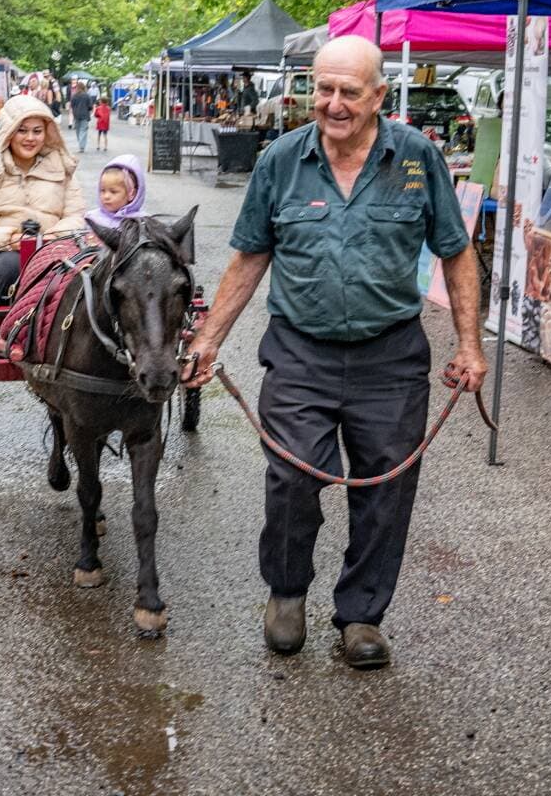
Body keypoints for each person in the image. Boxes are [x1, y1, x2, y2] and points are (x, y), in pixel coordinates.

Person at [181, 35, 487, 670]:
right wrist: (209, 339)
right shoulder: (282, 161)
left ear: (379, 96)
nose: (334, 102)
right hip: (299, 352)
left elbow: (456, 252)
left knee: (387, 489)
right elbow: (250, 255)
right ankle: (287, 593)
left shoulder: (418, 157)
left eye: (350, 91)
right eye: (324, 88)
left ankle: (361, 616)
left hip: (391, 355)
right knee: (292, 477)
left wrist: (468, 344)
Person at [0, 94, 86, 303]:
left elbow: (76, 217)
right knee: (14, 268)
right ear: (8, 133)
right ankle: (17, 330)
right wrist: (12, 240)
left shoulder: (64, 173)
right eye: (22, 130)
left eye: (37, 131)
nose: (30, 138)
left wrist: (46, 241)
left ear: (47, 134)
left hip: (53, 254)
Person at [85, 154, 146, 230]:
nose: (106, 196)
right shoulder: (92, 219)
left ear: (131, 194)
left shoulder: (142, 223)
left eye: (113, 192)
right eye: (102, 190)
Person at [70, 82, 96, 153]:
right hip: (84, 115)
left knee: (78, 130)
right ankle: (82, 146)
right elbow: (90, 106)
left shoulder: (74, 96)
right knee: (83, 130)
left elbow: (72, 105)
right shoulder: (87, 96)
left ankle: (80, 144)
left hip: (76, 115)